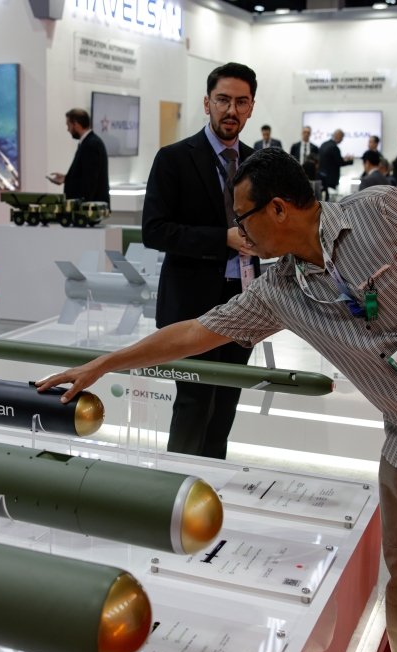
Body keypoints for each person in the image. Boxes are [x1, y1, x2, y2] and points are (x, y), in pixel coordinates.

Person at [38, 147, 397, 652]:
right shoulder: (279, 289)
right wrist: (105, 364)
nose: (239, 231)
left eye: (243, 217)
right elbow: (194, 333)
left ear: (277, 209)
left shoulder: (383, 209)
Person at [140, 62, 259, 460]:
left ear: (251, 108)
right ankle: (176, 492)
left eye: (241, 102)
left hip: (244, 300)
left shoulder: (259, 164)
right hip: (193, 303)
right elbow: (155, 230)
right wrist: (219, 239)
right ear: (207, 103)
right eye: (223, 100)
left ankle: (210, 486)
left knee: (226, 405)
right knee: (194, 401)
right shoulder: (174, 158)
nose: (231, 110)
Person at [49, 109, 110, 204]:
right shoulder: (90, 142)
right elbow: (85, 173)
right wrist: (67, 178)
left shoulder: (90, 145)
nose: (68, 129)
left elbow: (90, 179)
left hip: (88, 208)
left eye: (68, 125)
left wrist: (82, 203)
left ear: (76, 125)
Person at [317, 129, 354, 196]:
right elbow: (339, 162)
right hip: (331, 178)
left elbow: (330, 159)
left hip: (321, 176)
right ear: (339, 136)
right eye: (342, 138)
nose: (342, 140)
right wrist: (350, 161)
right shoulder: (334, 147)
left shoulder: (324, 144)